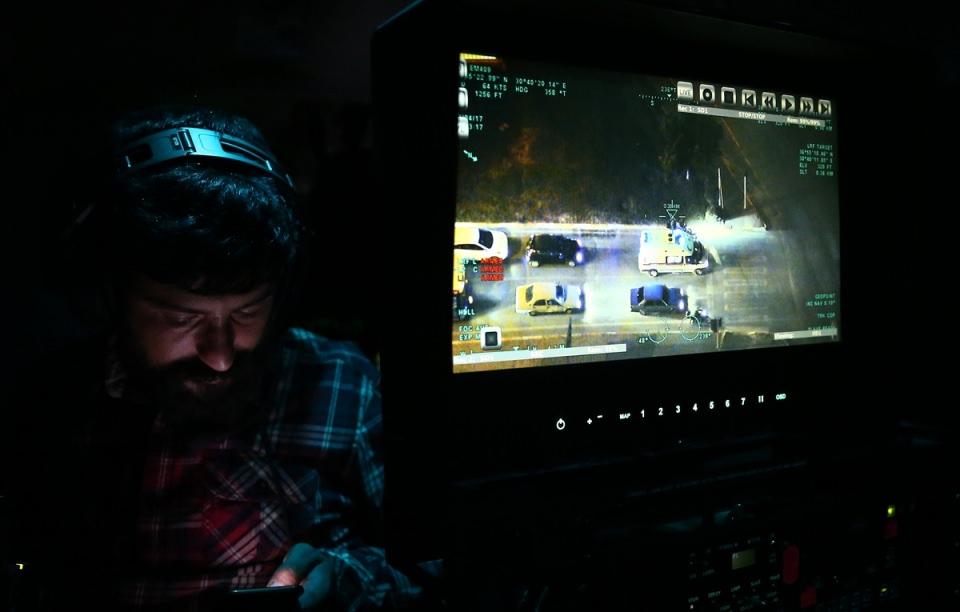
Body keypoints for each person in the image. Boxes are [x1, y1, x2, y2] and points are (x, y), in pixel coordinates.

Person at [1, 107, 421, 611]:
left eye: (248, 311)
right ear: (113, 296)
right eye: (180, 318)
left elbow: (433, 566)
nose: (220, 357)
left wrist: (349, 581)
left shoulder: (344, 386)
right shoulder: (51, 402)